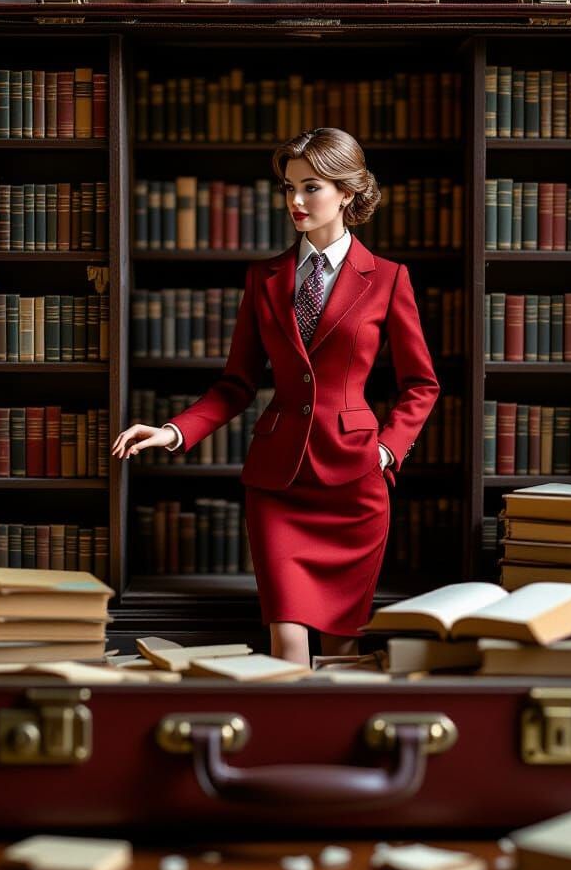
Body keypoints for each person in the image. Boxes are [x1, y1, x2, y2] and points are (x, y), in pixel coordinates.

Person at [112, 127, 440, 666]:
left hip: (355, 485)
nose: (295, 201)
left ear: (347, 194)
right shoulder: (263, 278)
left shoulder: (386, 278)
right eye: (288, 188)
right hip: (277, 484)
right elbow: (235, 384)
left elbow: (421, 383)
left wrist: (386, 451)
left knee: (342, 646)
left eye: (311, 187)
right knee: (285, 641)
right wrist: (174, 431)